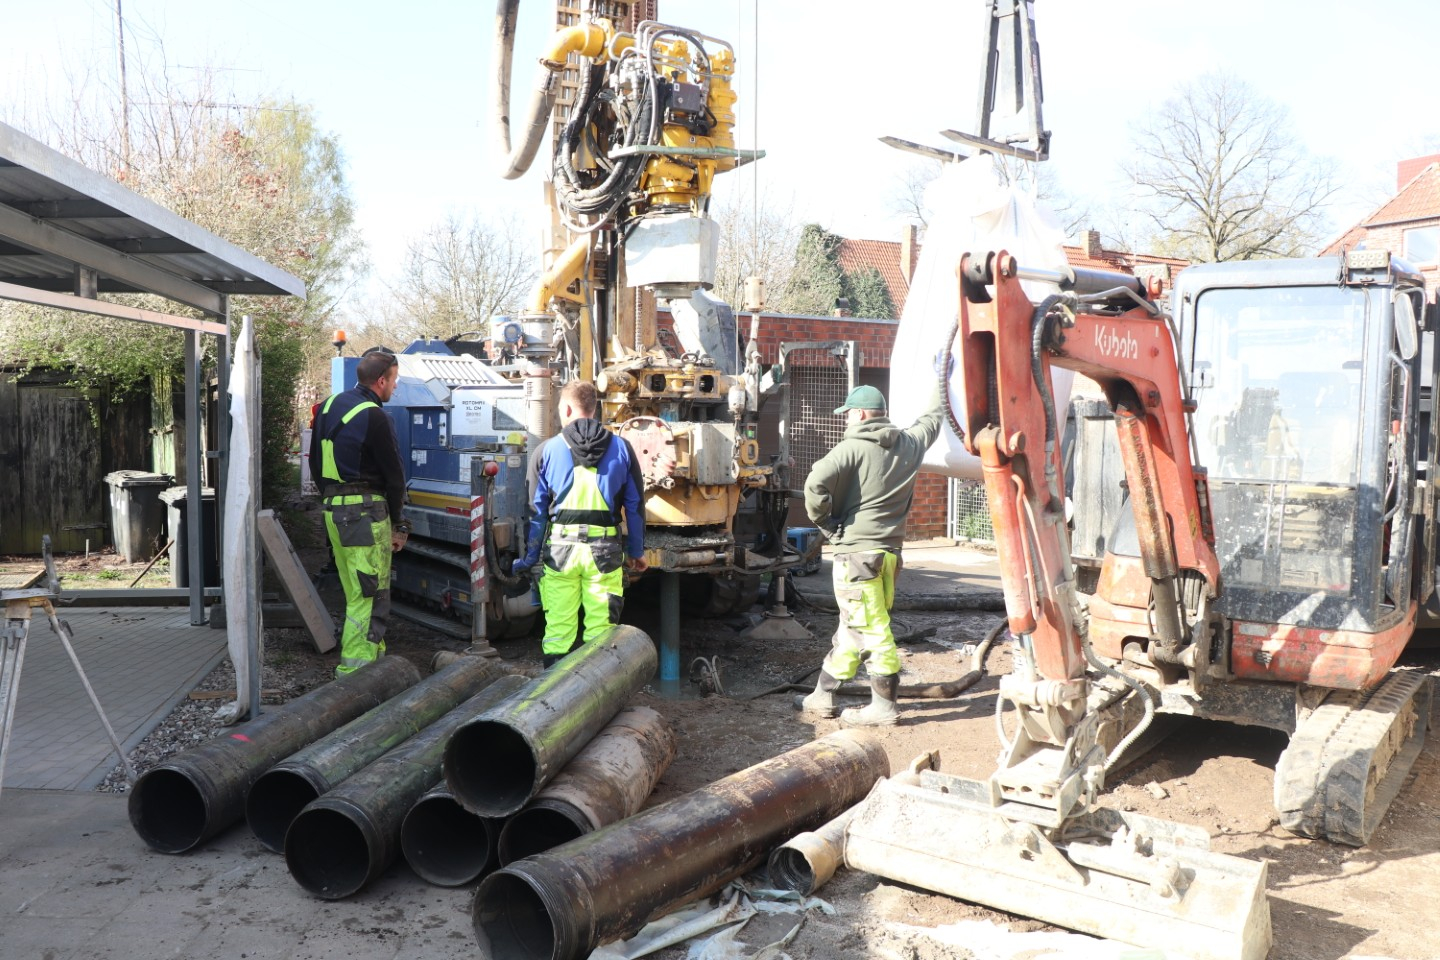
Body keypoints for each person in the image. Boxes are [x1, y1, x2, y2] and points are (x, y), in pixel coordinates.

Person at [800, 381, 944, 726]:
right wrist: (941, 378)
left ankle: (883, 706)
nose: (846, 420)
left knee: (872, 629)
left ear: (861, 414)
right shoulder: (910, 444)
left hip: (857, 556)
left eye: (848, 414)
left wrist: (828, 525)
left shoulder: (850, 448)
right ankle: (823, 695)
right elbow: (933, 418)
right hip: (889, 555)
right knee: (854, 626)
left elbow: (814, 483)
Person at [514, 380, 647, 667]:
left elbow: (535, 512)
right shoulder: (622, 448)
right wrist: (637, 551)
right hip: (605, 552)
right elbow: (635, 505)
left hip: (561, 553)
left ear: (568, 408)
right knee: (601, 633)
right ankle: (600, 700)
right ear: (595, 408)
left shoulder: (547, 451)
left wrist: (530, 557)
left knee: (558, 631)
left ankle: (553, 699)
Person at [308, 349, 409, 678]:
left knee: (356, 594)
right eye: (394, 380)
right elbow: (395, 477)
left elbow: (314, 463)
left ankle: (374, 667)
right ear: (382, 381)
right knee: (372, 596)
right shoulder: (377, 417)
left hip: (334, 513)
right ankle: (357, 679)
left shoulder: (326, 407)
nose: (395, 387)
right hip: (366, 516)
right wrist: (399, 524)